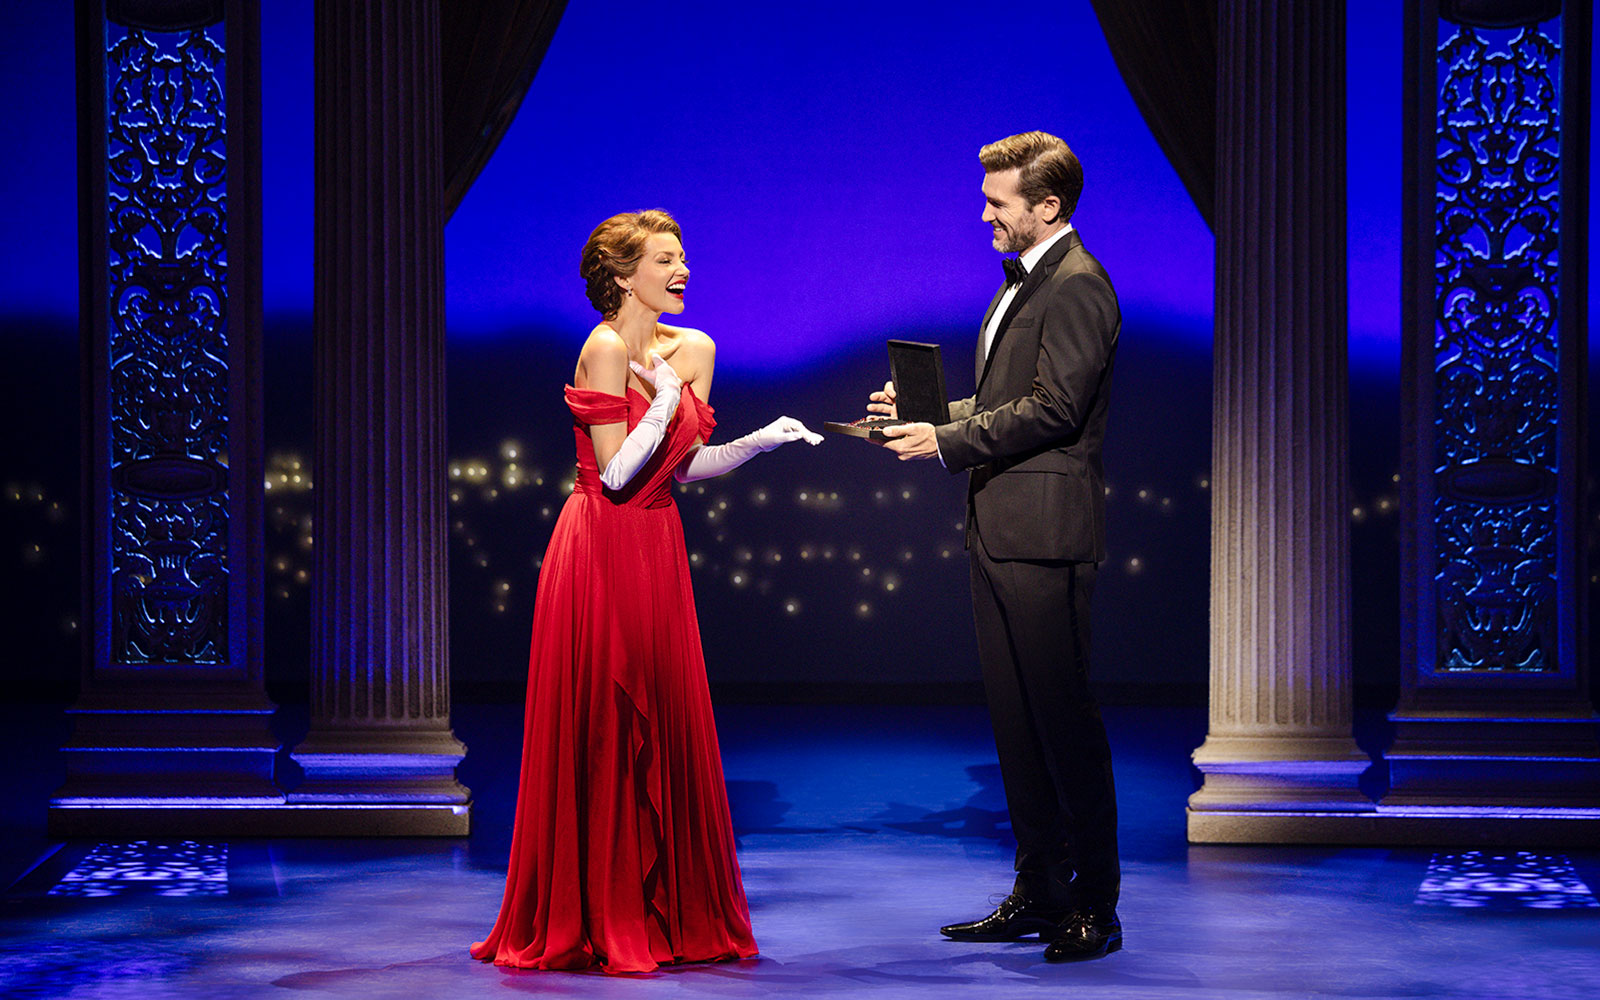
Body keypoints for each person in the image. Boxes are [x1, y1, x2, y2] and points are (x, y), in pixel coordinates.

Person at [472, 209, 821, 974]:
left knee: (659, 717)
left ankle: (668, 917)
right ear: (625, 275)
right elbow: (615, 473)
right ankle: (599, 916)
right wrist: (661, 401)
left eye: (684, 255)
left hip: (656, 543)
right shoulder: (601, 347)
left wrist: (760, 440)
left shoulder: (696, 347)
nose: (684, 269)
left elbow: (683, 468)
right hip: (598, 543)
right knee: (602, 722)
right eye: (667, 259)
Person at [869, 131, 1122, 961]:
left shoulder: (1080, 285)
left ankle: (1096, 905)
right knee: (1018, 726)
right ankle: (1042, 890)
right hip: (999, 526)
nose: (984, 214)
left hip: (1045, 534)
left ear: (1046, 206)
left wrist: (946, 443)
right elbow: (1010, 395)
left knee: (1063, 720)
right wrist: (925, 417)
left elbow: (1054, 410)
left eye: (998, 202)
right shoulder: (1021, 285)